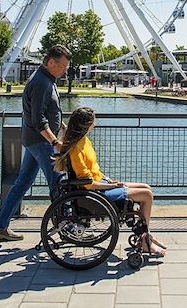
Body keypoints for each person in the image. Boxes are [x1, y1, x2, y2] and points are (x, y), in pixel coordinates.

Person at [52, 106, 168, 257]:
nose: (95, 125)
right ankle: (144, 240)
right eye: (93, 122)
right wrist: (110, 185)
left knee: (146, 188)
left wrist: (108, 180)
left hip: (98, 187)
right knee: (146, 195)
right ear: (86, 125)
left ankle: (145, 235)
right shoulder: (76, 148)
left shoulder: (84, 141)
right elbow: (87, 181)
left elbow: (94, 170)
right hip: (92, 193)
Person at [0, 45, 72, 241]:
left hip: (34, 140)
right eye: (63, 67)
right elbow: (38, 119)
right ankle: (64, 226)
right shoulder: (42, 83)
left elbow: (47, 111)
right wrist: (54, 141)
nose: (65, 71)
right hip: (41, 142)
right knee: (58, 183)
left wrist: (63, 125)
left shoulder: (45, 79)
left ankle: (0, 226)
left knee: (22, 183)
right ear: (51, 62)